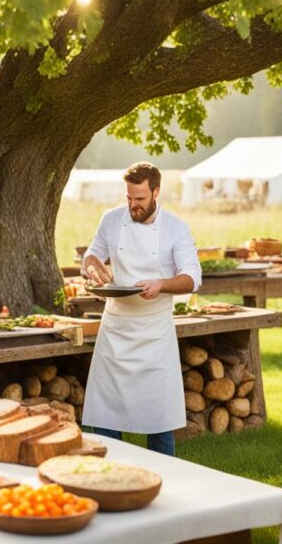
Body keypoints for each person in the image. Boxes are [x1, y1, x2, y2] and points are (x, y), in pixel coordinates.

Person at [80, 162, 201, 456]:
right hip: (116, 328)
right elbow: (92, 254)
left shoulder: (175, 228)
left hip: (154, 332)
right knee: (105, 412)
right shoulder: (111, 219)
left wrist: (161, 284)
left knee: (158, 416)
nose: (133, 206)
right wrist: (92, 264)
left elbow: (192, 278)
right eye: (129, 199)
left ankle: (165, 476)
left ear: (156, 192)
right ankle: (111, 470)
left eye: (140, 200)